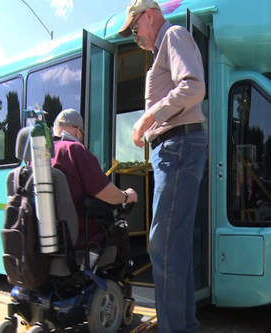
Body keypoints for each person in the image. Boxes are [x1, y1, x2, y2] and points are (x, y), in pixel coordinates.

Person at [119, 0, 207, 332]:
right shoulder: (164, 46)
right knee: (174, 248)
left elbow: (193, 87)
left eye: (135, 27)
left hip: (178, 146)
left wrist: (149, 116)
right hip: (174, 148)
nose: (134, 36)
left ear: (150, 15)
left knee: (163, 245)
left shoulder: (173, 35)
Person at [51, 108, 138, 281]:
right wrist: (127, 196)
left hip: (52, 236)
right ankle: (117, 284)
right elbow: (104, 192)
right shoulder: (75, 150)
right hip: (81, 236)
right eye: (82, 133)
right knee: (120, 230)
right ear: (76, 129)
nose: (81, 137)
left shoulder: (39, 157)